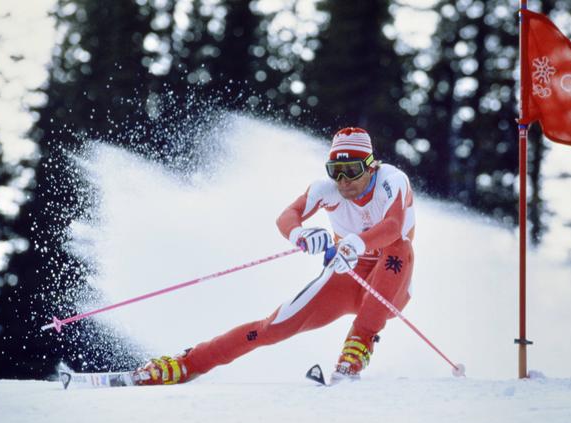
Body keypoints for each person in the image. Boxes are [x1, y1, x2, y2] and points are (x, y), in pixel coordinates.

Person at [134, 127, 416, 385]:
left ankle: (357, 349)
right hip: (347, 273)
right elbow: (288, 215)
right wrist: (299, 234)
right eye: (335, 170)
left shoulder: (392, 181)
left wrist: (356, 243)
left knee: (399, 246)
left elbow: (392, 226)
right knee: (271, 328)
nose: (343, 180)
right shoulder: (325, 189)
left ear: (371, 166)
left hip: (390, 282)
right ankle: (188, 363)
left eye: (352, 170)